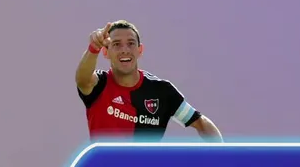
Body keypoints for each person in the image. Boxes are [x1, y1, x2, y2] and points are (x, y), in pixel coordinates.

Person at [75, 20, 222, 141]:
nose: (125, 50)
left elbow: (201, 123)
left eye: (131, 43)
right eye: (117, 44)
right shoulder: (99, 85)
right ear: (106, 52)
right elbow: (83, 80)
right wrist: (93, 48)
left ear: (140, 50)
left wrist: (222, 158)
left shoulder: (162, 91)